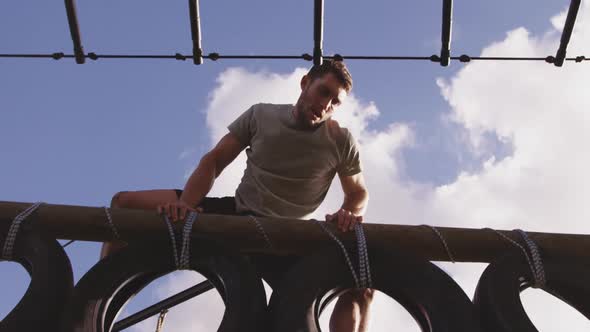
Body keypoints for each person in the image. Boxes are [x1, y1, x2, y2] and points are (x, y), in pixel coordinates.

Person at [101, 60, 373, 332]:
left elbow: (358, 191)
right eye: (323, 92)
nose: (326, 105)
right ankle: (96, 302)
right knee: (124, 204)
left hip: (287, 237)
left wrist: (348, 211)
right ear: (305, 83)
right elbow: (215, 161)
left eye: (335, 102)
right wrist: (186, 204)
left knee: (361, 286)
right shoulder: (261, 115)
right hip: (236, 214)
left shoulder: (340, 140)